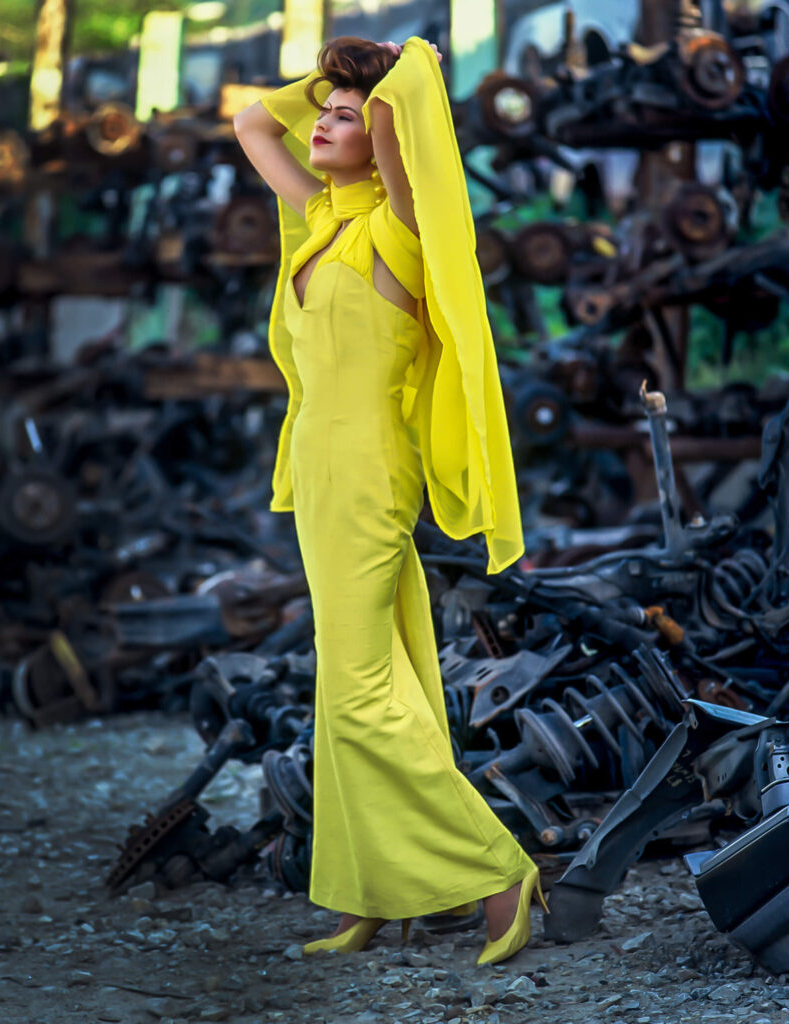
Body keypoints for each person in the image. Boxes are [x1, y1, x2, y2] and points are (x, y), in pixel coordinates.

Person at [232, 35, 545, 965]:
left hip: (370, 473)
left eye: (340, 118)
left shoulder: (397, 230)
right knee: (345, 689)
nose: (321, 123)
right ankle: (379, 887)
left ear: (379, 135)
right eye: (320, 114)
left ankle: (496, 869)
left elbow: (404, 107)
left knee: (366, 694)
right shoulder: (322, 219)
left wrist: (399, 68)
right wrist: (333, 79)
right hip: (319, 477)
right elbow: (252, 119)